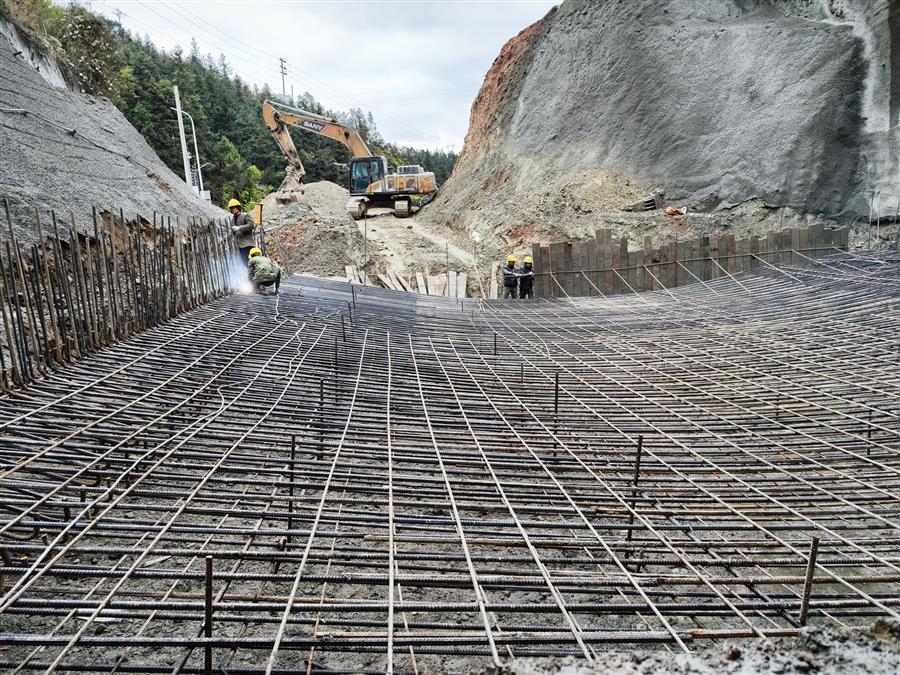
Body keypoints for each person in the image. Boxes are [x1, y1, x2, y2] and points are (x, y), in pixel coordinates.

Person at [229, 198, 255, 264]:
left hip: (247, 244)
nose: (233, 209)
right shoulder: (232, 220)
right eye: (231, 208)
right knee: (244, 262)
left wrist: (239, 228)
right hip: (239, 245)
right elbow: (233, 232)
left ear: (238, 207)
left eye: (234, 207)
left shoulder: (245, 215)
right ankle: (250, 273)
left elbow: (251, 225)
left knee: (251, 261)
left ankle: (254, 273)